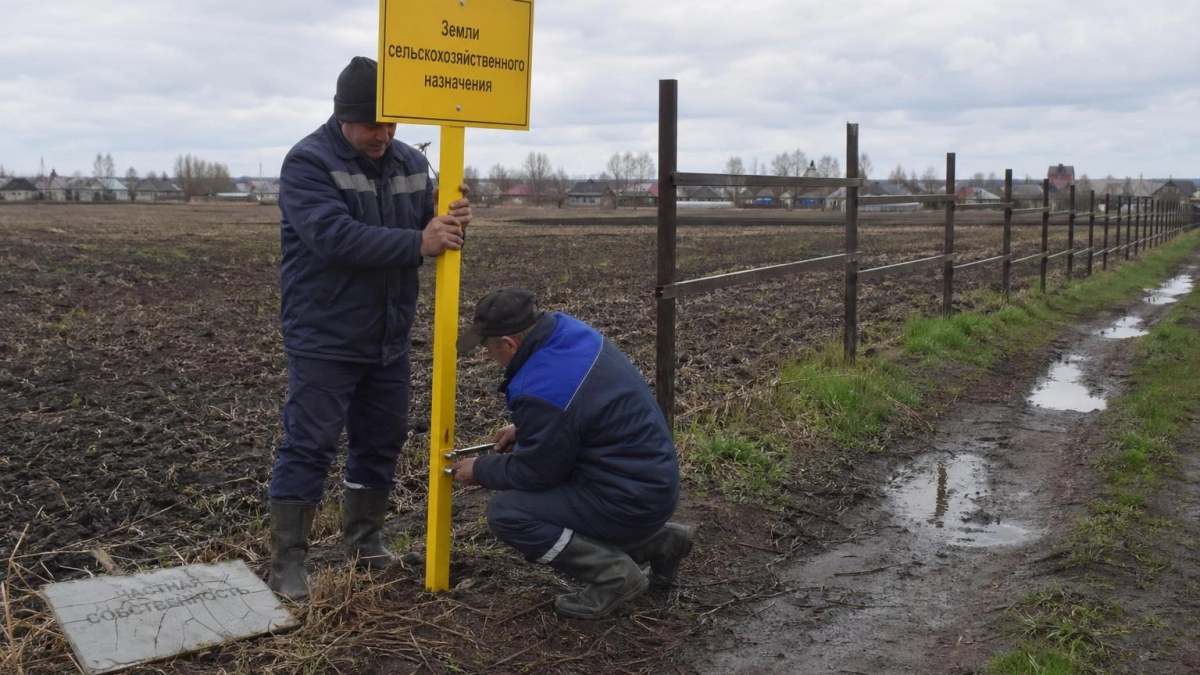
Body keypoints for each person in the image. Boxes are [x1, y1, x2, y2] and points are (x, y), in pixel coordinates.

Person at [267, 55, 472, 602]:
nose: (382, 134)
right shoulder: (307, 163)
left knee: (382, 439)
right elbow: (333, 237)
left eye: (390, 122)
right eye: (370, 124)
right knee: (310, 444)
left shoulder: (410, 161)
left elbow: (432, 225)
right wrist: (420, 242)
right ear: (342, 117)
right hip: (325, 334)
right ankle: (288, 563)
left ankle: (364, 542)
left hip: (389, 335)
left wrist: (450, 220)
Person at [452, 288, 694, 619]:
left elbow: (536, 474)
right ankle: (662, 541)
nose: (488, 355)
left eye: (487, 348)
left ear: (508, 344)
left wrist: (480, 470)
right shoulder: (570, 331)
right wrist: (528, 429)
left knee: (508, 513)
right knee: (557, 500)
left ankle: (614, 576)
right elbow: (581, 408)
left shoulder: (541, 387)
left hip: (631, 500)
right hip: (652, 482)